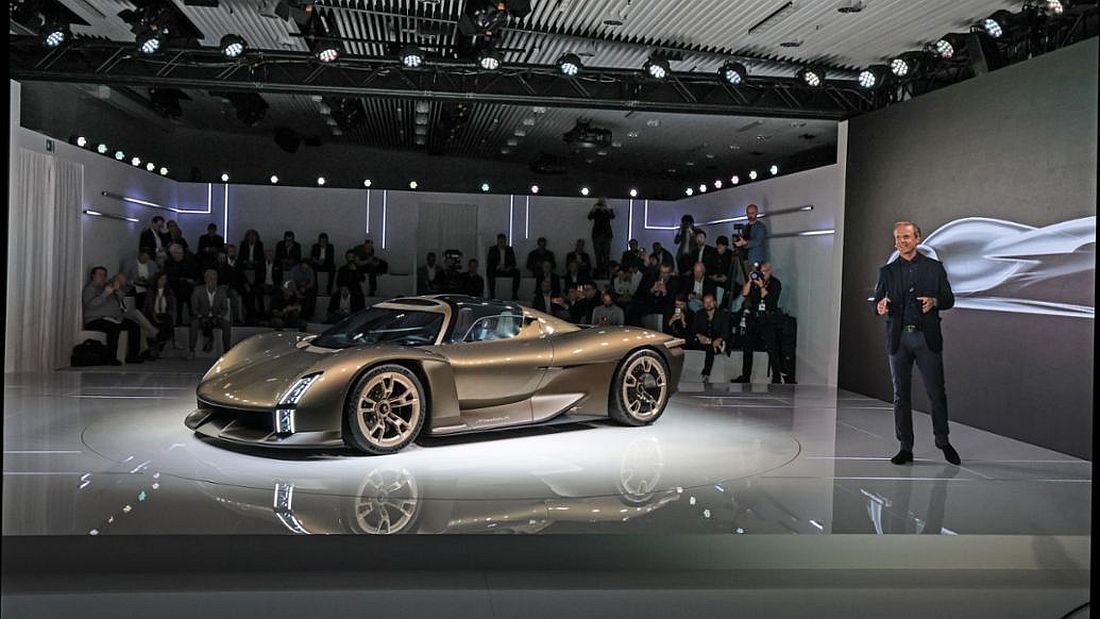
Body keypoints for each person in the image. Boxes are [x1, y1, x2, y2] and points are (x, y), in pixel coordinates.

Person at [874, 221, 959, 466]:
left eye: (906, 237)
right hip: (898, 340)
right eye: (898, 238)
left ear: (917, 239)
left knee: (936, 393)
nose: (902, 241)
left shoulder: (934, 268)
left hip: (925, 338)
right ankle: (905, 447)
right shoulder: (887, 272)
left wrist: (934, 301)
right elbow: (877, 302)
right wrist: (880, 306)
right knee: (900, 395)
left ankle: (943, 441)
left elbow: (949, 299)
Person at [731, 262, 782, 385]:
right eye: (761, 271)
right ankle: (746, 376)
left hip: (767, 318)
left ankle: (776, 378)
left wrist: (761, 286)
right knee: (747, 347)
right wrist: (750, 281)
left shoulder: (775, 283)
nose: (762, 274)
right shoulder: (754, 282)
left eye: (765, 271)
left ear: (770, 271)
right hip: (754, 317)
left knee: (772, 348)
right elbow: (745, 293)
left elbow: (770, 300)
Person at [82, 266, 143, 364]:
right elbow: (91, 304)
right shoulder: (90, 289)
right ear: (93, 276)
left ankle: (133, 356)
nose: (103, 277)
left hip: (114, 318)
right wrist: (105, 294)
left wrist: (117, 290)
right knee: (113, 328)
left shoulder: (107, 286)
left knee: (134, 326)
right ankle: (111, 357)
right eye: (100, 274)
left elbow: (121, 298)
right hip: (96, 319)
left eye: (104, 275)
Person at [187, 269, 232, 359]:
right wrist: (200, 316)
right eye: (209, 278)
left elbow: (225, 308)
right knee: (194, 325)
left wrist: (219, 315)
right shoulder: (198, 290)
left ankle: (226, 352)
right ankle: (192, 351)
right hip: (201, 316)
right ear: (205, 280)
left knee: (227, 325)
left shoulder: (221, 292)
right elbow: (194, 307)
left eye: (214, 279)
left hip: (216, 317)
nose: (212, 281)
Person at [692, 293, 730, 382]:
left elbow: (726, 332)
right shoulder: (699, 314)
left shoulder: (722, 314)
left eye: (710, 302)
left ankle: (706, 374)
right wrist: (699, 336)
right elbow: (693, 329)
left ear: (715, 303)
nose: (708, 304)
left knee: (710, 348)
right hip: (703, 340)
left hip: (717, 341)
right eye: (706, 302)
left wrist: (719, 339)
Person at [164, 244, 200, 325]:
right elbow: (170, 277)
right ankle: (187, 314)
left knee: (185, 289)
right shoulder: (168, 263)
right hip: (174, 286)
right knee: (181, 289)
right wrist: (183, 279)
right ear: (172, 254)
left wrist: (187, 279)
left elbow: (194, 274)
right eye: (177, 253)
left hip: (187, 286)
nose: (180, 255)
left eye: (181, 253)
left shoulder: (188, 261)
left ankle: (182, 317)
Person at [142, 272, 177, 354]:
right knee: (166, 322)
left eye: (165, 279)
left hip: (164, 314)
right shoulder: (151, 291)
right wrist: (154, 316)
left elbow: (171, 306)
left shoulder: (169, 291)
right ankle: (161, 342)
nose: (163, 281)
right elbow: (148, 306)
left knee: (167, 320)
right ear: (157, 280)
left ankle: (159, 341)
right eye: (161, 279)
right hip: (152, 314)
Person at [733, 204, 768, 269]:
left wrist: (745, 243)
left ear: (756, 213)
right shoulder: (745, 227)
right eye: (748, 213)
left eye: (752, 213)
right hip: (746, 260)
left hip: (756, 260)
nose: (750, 215)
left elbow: (758, 241)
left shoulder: (760, 227)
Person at [486, 233, 521, 300]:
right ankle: (492, 294)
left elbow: (513, 262)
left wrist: (509, 267)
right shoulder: (493, 249)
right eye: (500, 242)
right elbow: (489, 262)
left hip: (507, 270)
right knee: (490, 272)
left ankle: (515, 293)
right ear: (497, 241)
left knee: (517, 272)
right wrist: (497, 267)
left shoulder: (509, 249)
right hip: (497, 270)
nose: (502, 244)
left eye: (503, 242)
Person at [588, 197, 615, 279]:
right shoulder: (595, 208)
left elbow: (612, 216)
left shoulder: (608, 208)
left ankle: (606, 272)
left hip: (607, 235)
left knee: (606, 255)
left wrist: (606, 209)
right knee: (598, 255)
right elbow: (589, 217)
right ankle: (600, 273)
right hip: (597, 235)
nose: (601, 202)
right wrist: (594, 209)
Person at [706, 236, 735, 307]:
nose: (720, 248)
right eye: (718, 246)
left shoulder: (731, 254)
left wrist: (727, 277)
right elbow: (708, 268)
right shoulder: (712, 253)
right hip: (713, 280)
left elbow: (733, 270)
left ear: (726, 247)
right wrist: (712, 276)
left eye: (722, 246)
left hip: (726, 281)